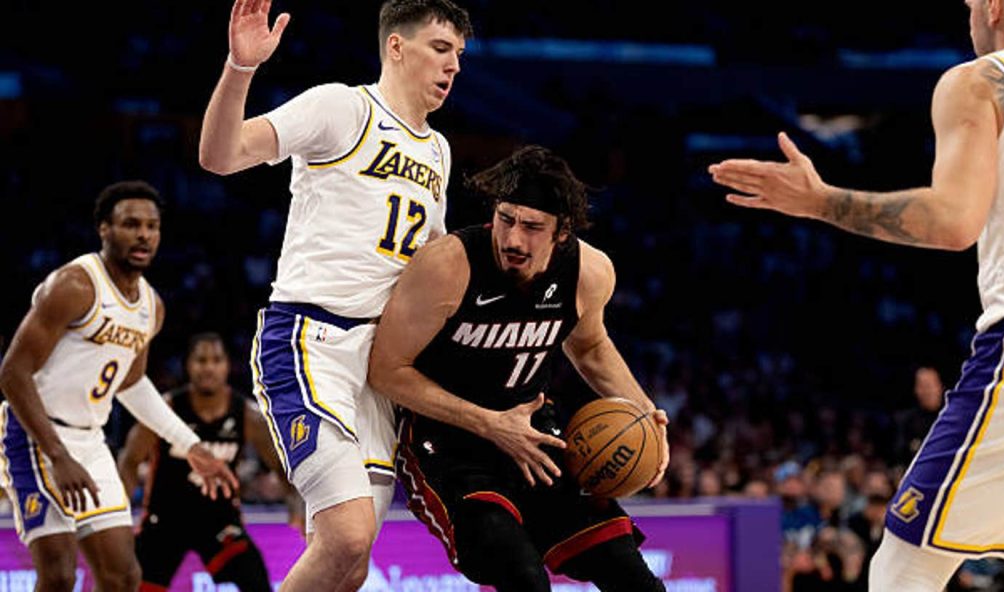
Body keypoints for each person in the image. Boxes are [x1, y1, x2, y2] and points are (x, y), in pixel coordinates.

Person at [710, 1, 1004, 588]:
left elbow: (954, 222)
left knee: (904, 564)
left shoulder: (983, 80)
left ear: (995, 6)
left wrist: (820, 200)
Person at [198, 1, 474, 590]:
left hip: (380, 366)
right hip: (310, 340)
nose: (453, 66)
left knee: (349, 561)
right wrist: (240, 69)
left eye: (459, 56)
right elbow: (220, 156)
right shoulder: (342, 107)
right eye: (441, 48)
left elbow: (435, 264)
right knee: (347, 534)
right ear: (396, 47)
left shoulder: (439, 151)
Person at [368, 146, 670, 591]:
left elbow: (589, 347)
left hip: (533, 437)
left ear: (562, 232)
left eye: (532, 227)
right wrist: (491, 425)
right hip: (446, 447)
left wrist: (646, 413)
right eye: (506, 218)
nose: (513, 239)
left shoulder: (588, 272)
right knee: (523, 576)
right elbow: (387, 371)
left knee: (635, 580)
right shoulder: (447, 266)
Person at [0, 181, 237, 592]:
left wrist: (191, 445)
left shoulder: (151, 307)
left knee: (124, 577)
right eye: (130, 224)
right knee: (57, 574)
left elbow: (131, 384)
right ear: (105, 230)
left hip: (89, 442)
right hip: (34, 435)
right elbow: (12, 374)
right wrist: (58, 455)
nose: (143, 234)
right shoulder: (75, 286)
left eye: (152, 226)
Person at [118, 332, 293, 592]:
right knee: (133, 586)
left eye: (216, 360)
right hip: (165, 520)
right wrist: (118, 519)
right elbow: (130, 460)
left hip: (219, 521)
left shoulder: (246, 414)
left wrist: (297, 505)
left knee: (255, 579)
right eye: (201, 360)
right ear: (188, 365)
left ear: (227, 366)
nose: (208, 367)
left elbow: (281, 467)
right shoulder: (167, 409)